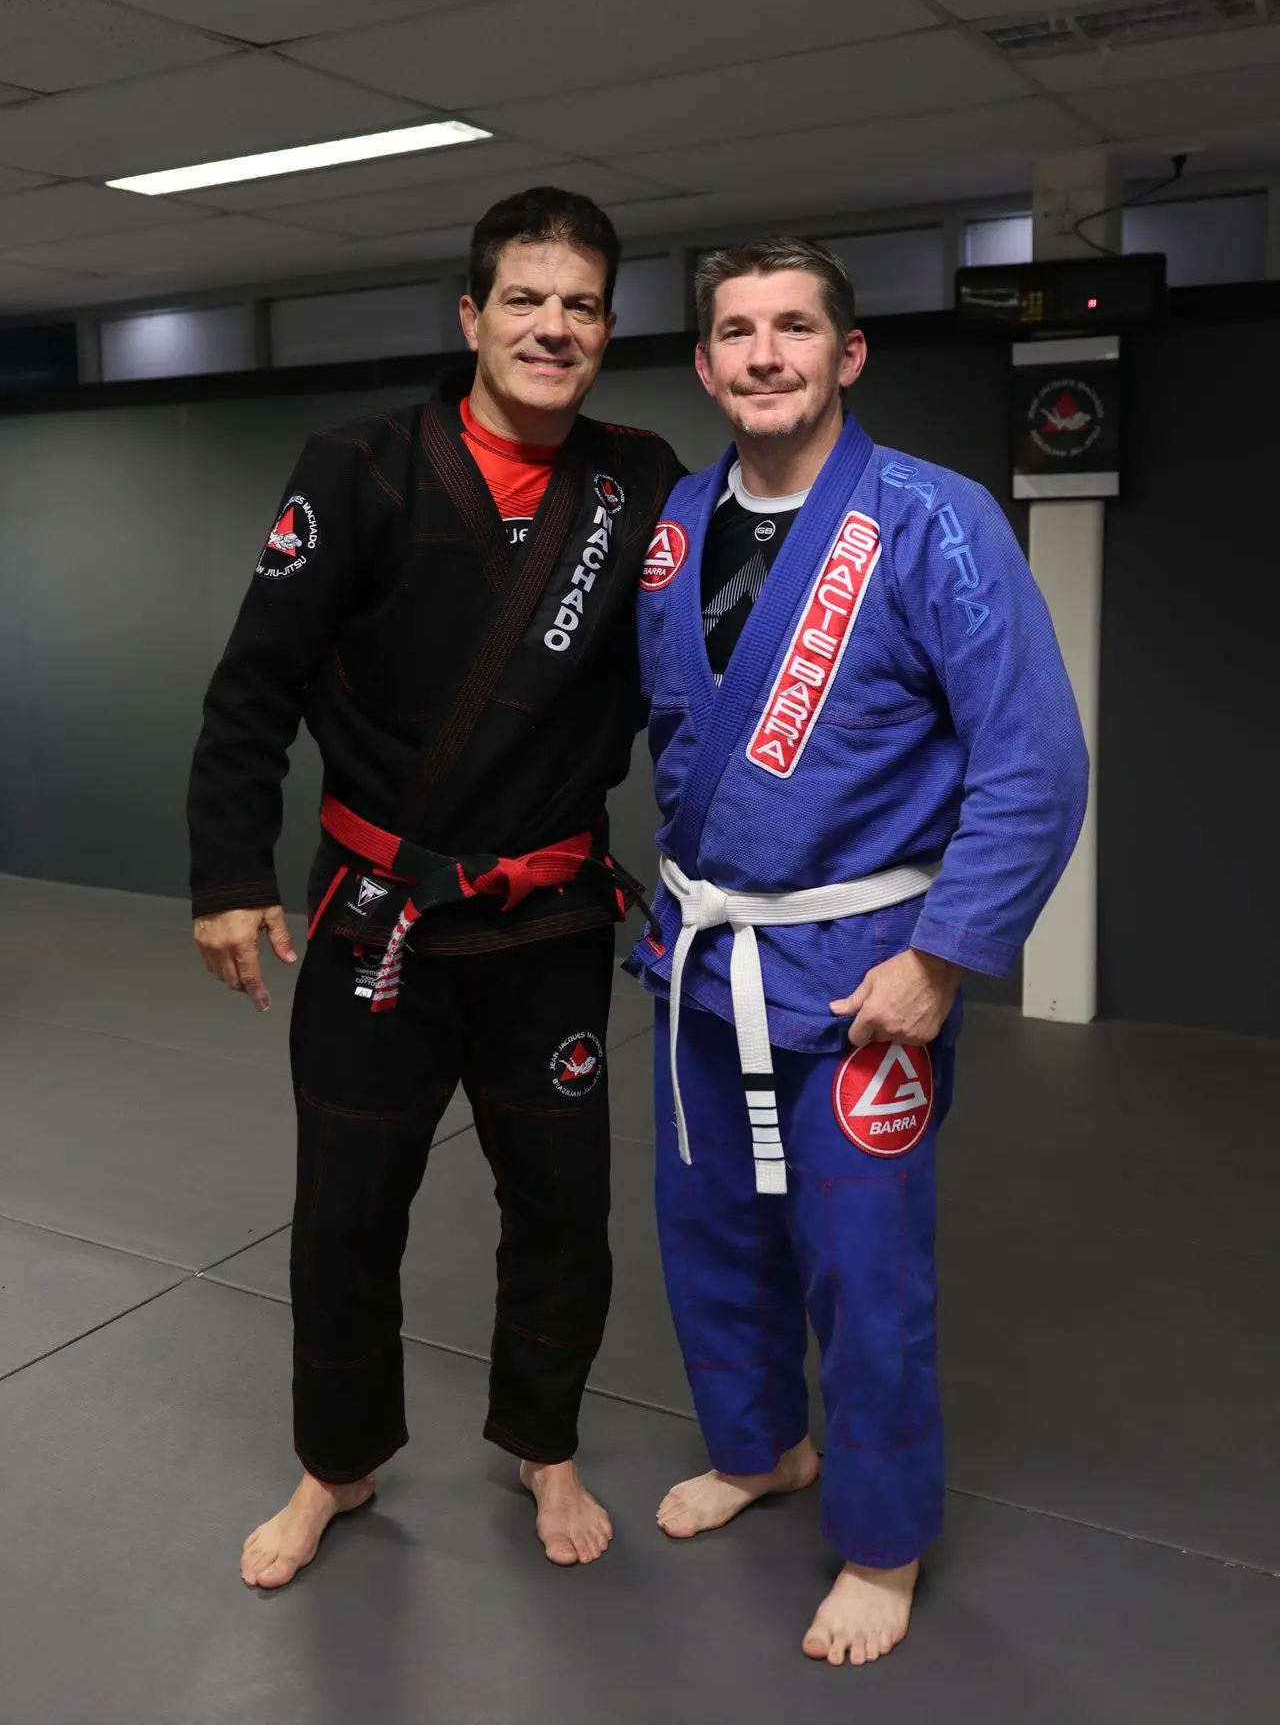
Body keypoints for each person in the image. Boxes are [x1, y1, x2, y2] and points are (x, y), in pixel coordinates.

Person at [188, 187, 682, 1588]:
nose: (553, 326)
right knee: (348, 1206)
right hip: (377, 916)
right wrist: (229, 873)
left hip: (550, 918)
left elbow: (692, 673)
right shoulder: (359, 464)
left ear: (606, 327)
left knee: (559, 1201)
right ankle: (336, 1468)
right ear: (472, 317)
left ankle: (547, 1443)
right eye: (525, 299)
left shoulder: (635, 480)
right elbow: (255, 687)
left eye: (582, 304)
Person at [626, 236, 1089, 1666]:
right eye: (737, 332)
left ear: (847, 354)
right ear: (705, 363)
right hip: (703, 963)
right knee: (711, 1240)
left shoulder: (931, 520)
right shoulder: (672, 529)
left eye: (795, 328)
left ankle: (881, 1545)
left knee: (864, 1274)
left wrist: (944, 960)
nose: (765, 354)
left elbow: (1035, 757)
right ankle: (761, 1447)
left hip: (864, 981)